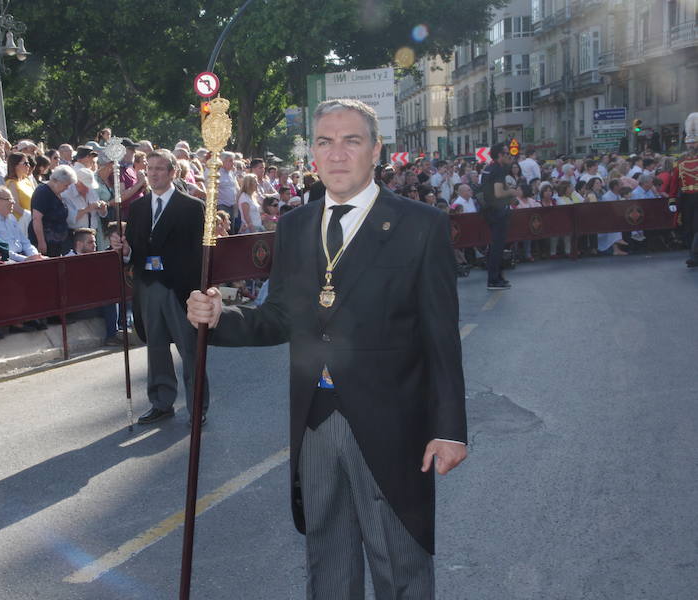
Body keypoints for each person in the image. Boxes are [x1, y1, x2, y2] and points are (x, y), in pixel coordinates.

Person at [187, 99, 466, 599]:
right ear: (311, 153)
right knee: (328, 568)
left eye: (351, 140)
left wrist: (449, 430)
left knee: (399, 567)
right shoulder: (294, 226)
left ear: (376, 150)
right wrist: (219, 318)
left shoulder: (420, 225)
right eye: (324, 142)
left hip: (392, 426)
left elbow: (440, 336)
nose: (337, 154)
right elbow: (281, 317)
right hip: (314, 421)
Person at [111, 149, 208, 427]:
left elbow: (198, 254)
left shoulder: (191, 207)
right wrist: (125, 250)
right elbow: (135, 249)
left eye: (159, 169)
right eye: (149, 169)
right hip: (149, 286)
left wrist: (197, 292)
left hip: (180, 289)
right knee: (155, 347)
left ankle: (197, 406)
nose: (153, 174)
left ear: (173, 173)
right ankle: (161, 402)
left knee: (189, 350)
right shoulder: (139, 208)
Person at [480, 142, 515, 290]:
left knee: (497, 246)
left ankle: (498, 277)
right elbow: (498, 193)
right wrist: (512, 191)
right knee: (497, 247)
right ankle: (493, 280)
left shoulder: (489, 168)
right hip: (497, 211)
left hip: (490, 210)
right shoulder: (498, 170)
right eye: (507, 153)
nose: (510, 156)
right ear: (500, 155)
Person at [0, 186, 44, 263]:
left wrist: (35, 256)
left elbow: (25, 242)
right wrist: (25, 259)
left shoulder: (11, 217)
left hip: (23, 258)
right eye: (9, 199)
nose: (13, 202)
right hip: (7, 262)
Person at [670, 112, 698, 267]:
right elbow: (675, 182)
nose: (691, 146)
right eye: (689, 143)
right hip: (687, 198)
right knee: (688, 228)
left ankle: (694, 256)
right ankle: (694, 255)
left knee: (697, 227)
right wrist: (672, 199)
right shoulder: (680, 161)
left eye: (694, 143)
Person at [29, 165, 75, 257]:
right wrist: (41, 242)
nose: (67, 188)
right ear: (55, 181)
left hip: (59, 242)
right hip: (47, 242)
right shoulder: (42, 192)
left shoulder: (59, 194)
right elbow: (36, 219)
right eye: (65, 185)